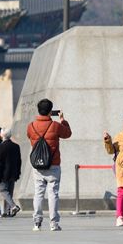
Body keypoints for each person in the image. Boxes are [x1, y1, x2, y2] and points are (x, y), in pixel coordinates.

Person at [26, 98, 72, 232]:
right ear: (50, 111)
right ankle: (54, 223)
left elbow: (29, 136)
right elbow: (68, 134)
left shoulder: (31, 126)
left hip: (38, 165)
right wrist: (63, 120)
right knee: (53, 194)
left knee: (38, 193)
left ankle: (37, 223)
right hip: (53, 164)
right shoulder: (56, 126)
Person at [0, 131, 22, 217]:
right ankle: (7, 211)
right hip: (13, 173)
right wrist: (18, 172)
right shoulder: (16, 146)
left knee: (3, 191)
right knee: (9, 192)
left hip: (3, 173)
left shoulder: (0, 147)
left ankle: (13, 206)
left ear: (2, 135)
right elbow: (19, 161)